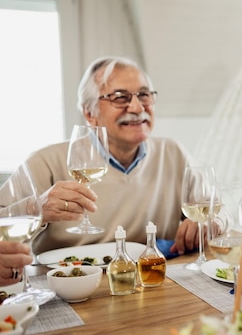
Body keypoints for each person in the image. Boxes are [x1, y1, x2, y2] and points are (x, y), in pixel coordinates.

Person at [0, 56, 199, 256]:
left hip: (152, 278)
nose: (137, 108)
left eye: (144, 95)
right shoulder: (46, 161)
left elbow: (215, 209)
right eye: (120, 97)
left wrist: (208, 224)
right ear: (89, 113)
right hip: (68, 280)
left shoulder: (173, 153)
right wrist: (35, 208)